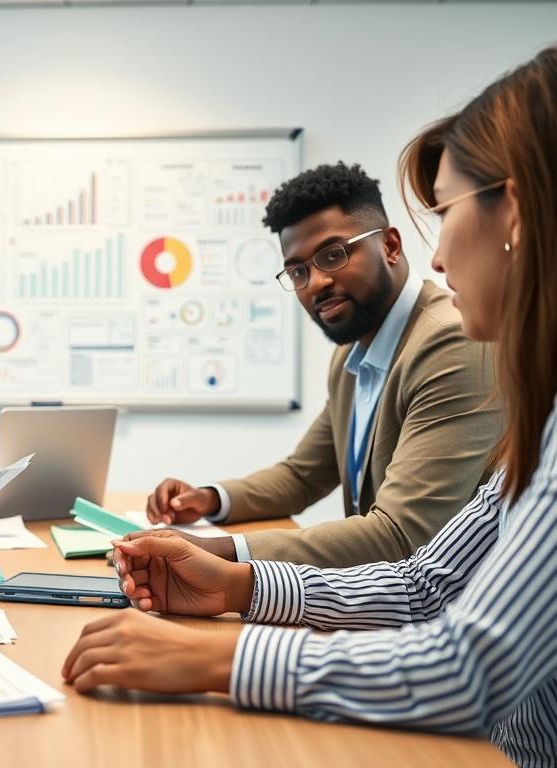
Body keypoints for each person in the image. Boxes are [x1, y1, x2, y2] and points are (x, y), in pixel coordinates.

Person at [64, 46, 557, 768]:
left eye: (445, 212)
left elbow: (466, 667)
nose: (441, 257)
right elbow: (425, 586)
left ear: (513, 212)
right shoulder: (534, 418)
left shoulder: (451, 345)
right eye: (297, 269)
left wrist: (223, 658)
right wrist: (236, 582)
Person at [145, 162, 500, 568]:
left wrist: (223, 552)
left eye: (333, 255)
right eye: (297, 270)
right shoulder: (352, 353)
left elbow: (401, 534)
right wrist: (208, 499)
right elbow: (302, 476)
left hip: (445, 610)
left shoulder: (451, 341)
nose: (314, 283)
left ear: (390, 246)